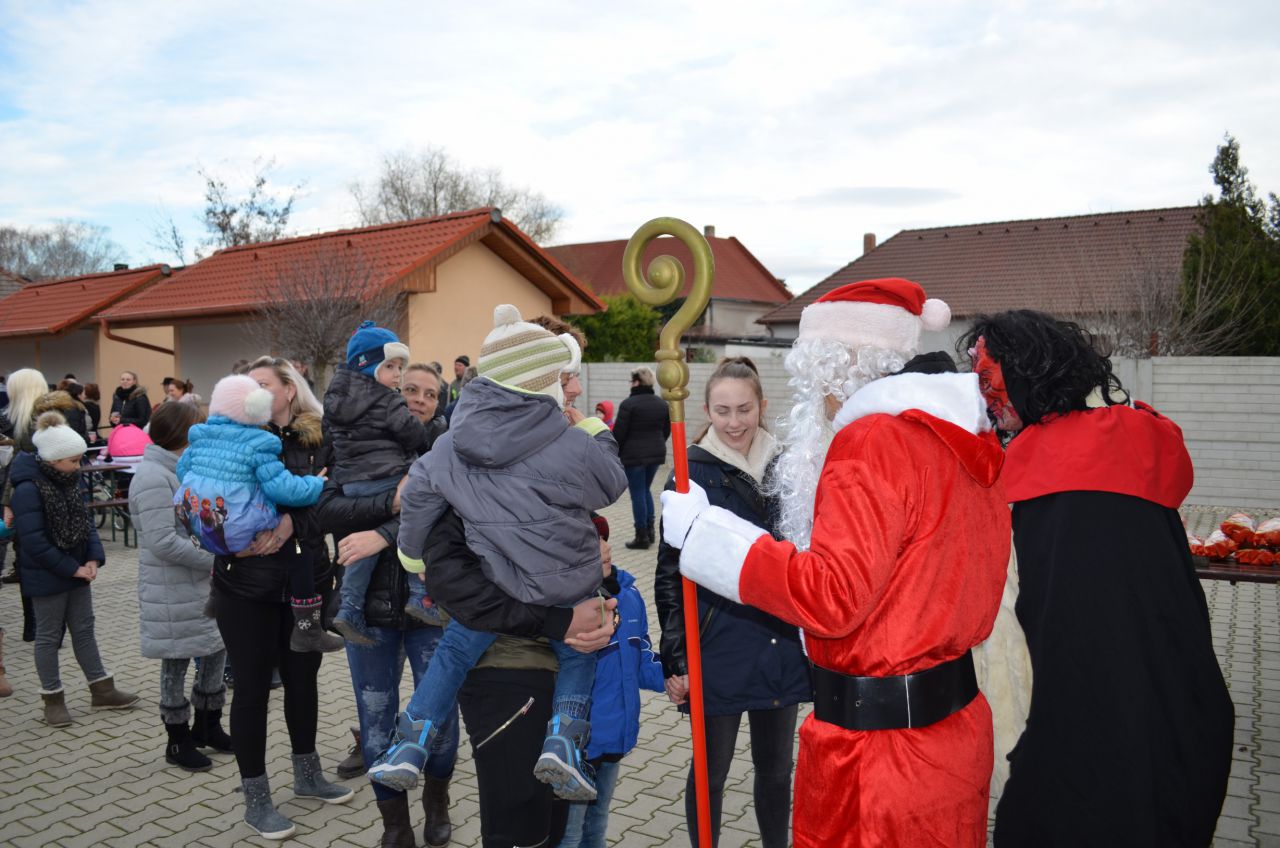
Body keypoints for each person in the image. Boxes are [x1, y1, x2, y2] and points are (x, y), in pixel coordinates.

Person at [660, 279, 1011, 848]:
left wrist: (707, 536)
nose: (818, 400)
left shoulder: (871, 440)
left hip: (877, 761)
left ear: (845, 363)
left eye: (816, 378)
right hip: (953, 735)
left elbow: (832, 598)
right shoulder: (966, 434)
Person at [959, 311, 1233, 846]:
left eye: (989, 380)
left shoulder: (1037, 470)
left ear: (1030, 375)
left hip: (1086, 726)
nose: (986, 400)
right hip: (1181, 700)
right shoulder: (1135, 434)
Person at [369, 304, 628, 803]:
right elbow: (611, 482)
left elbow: (418, 497)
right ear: (544, 383)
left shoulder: (448, 446)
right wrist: (595, 431)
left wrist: (412, 556)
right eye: (564, 379)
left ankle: (411, 741)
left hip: (497, 581)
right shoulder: (567, 441)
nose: (572, 389)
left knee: (453, 651)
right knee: (580, 651)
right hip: (567, 586)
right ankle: (565, 740)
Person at [656, 356, 810, 848]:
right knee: (710, 772)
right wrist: (676, 657)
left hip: (779, 640)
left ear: (761, 405)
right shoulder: (689, 473)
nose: (735, 422)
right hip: (716, 644)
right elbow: (668, 574)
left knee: (776, 770)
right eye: (723, 411)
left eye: (744, 409)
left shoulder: (789, 467)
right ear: (706, 411)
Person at [210, 356, 353, 840]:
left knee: (303, 681)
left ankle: (308, 775)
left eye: (264, 383)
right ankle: (257, 800)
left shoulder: (320, 437)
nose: (254, 391)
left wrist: (292, 522)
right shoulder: (232, 438)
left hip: (306, 582)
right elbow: (199, 505)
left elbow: (334, 499)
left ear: (289, 390)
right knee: (251, 689)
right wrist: (224, 540)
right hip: (244, 586)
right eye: (248, 384)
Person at [318, 365, 459, 848]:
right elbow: (324, 510)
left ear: (439, 403)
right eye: (410, 390)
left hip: (433, 612)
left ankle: (437, 803)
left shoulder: (446, 449)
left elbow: (450, 514)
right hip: (367, 617)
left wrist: (381, 534)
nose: (419, 399)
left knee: (439, 719)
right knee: (376, 724)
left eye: (430, 394)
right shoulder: (350, 441)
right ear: (392, 395)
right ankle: (395, 827)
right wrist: (389, 504)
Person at [178, 374, 341, 654]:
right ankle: (308, 628)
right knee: (299, 550)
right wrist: (315, 484)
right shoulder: (260, 442)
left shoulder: (200, 436)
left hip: (208, 522)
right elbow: (283, 490)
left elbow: (183, 473)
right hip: (245, 524)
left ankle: (215, 596)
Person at [11, 412, 139, 726]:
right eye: (73, 460)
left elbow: (87, 525)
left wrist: (93, 558)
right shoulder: (28, 489)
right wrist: (72, 568)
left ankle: (101, 689)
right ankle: (52, 699)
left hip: (77, 570)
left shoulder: (70, 481)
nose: (79, 466)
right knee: (48, 637)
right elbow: (33, 541)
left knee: (84, 630)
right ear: (53, 460)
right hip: (47, 575)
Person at [129, 401, 234, 772]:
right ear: (182, 435)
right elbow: (162, 541)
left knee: (215, 650)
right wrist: (214, 559)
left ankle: (208, 725)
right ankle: (177, 739)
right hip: (172, 588)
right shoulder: (152, 477)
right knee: (176, 661)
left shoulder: (184, 468)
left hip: (202, 585)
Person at [555, 514, 665, 848]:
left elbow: (641, 658)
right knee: (569, 833)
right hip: (576, 747)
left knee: (597, 823)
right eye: (592, 542)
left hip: (614, 737)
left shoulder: (628, 596)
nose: (605, 547)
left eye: (603, 538)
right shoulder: (564, 609)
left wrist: (676, 674)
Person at [323, 321, 429, 644]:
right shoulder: (386, 399)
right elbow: (411, 433)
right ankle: (420, 594)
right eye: (391, 367)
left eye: (399, 367)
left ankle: (349, 606)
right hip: (387, 477)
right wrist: (418, 435)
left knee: (362, 548)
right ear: (368, 366)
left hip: (352, 485)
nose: (398, 375)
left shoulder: (335, 400)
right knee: (418, 518)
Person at [613, 366, 670, 550]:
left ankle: (641, 536)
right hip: (655, 454)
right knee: (645, 490)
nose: (630, 384)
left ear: (637, 382)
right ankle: (651, 532)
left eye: (631, 381)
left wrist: (615, 451)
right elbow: (666, 430)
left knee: (638, 494)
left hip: (633, 456)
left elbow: (619, 433)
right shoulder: (662, 404)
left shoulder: (629, 404)